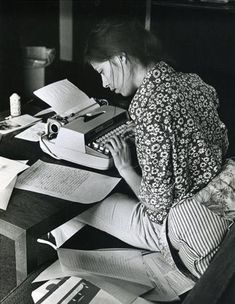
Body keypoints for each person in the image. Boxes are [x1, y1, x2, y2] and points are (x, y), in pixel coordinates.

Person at [42, 18, 235, 280]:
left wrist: (126, 168)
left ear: (120, 58)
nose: (104, 84)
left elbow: (156, 209)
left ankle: (59, 257)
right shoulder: (193, 82)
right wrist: (157, 141)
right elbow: (217, 141)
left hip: (185, 222)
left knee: (88, 206)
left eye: (101, 71)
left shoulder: (148, 108)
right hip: (221, 197)